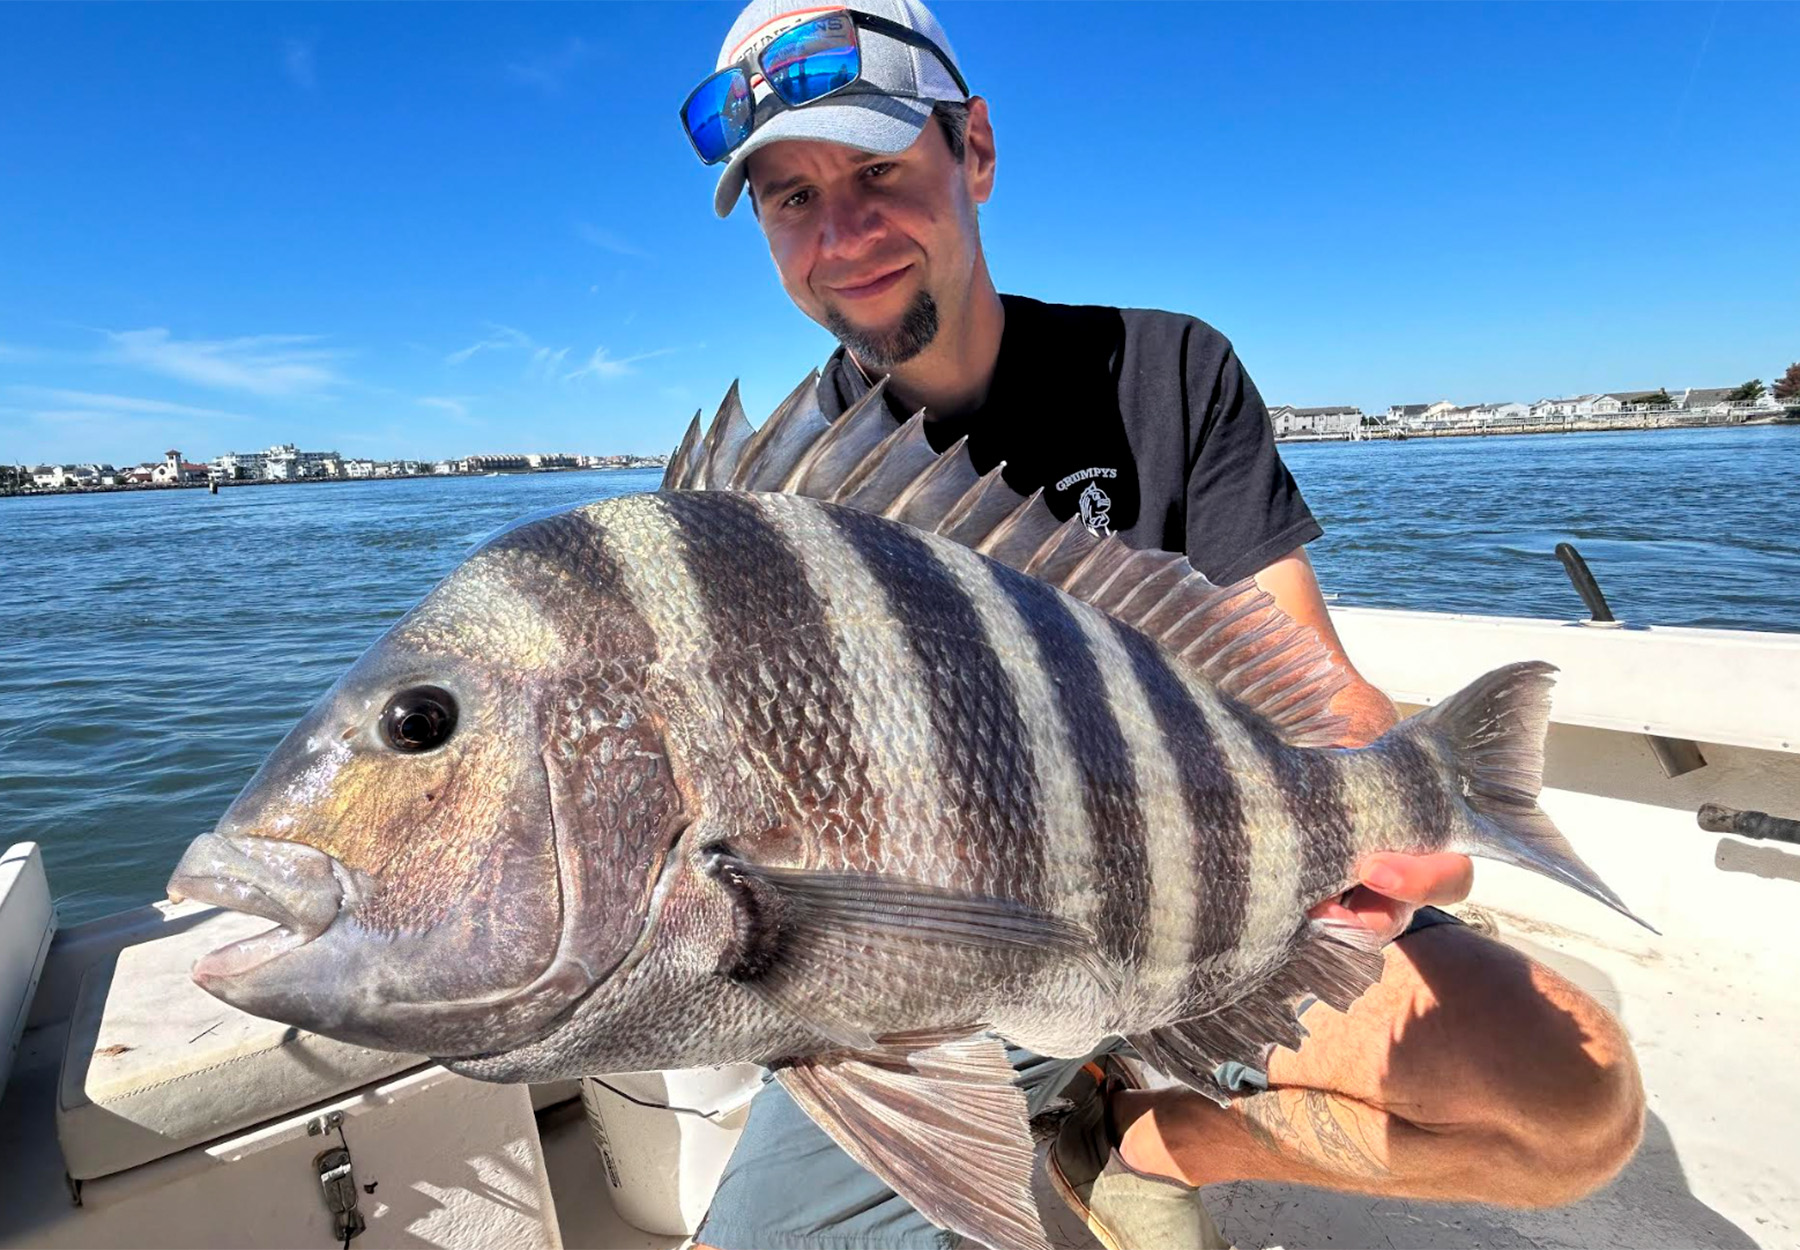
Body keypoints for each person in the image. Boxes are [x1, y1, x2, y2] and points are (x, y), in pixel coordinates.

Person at [678, 2, 1646, 1246]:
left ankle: (1130, 1135)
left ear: (974, 149)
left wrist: (1398, 816)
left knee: (1570, 1106)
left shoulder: (1168, 372)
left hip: (1219, 905)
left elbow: (1314, 687)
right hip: (944, 978)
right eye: (789, 198)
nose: (842, 233)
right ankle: (1044, 1087)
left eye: (878, 171)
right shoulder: (766, 520)